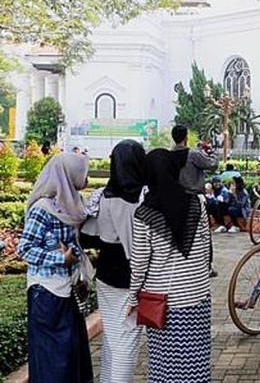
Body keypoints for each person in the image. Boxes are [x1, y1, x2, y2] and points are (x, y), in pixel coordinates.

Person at [127, 149, 211, 383]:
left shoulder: (144, 214)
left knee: (165, 365)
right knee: (196, 362)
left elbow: (140, 263)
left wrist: (133, 298)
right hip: (197, 297)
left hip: (163, 302)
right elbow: (206, 250)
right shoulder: (197, 204)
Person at [18, 153, 93, 383]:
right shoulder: (43, 208)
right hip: (47, 293)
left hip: (67, 291)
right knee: (54, 358)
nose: (86, 177)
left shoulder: (72, 203)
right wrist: (60, 259)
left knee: (70, 355)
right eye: (83, 172)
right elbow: (25, 249)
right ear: (68, 175)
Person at [80, 140, 146, 383]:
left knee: (112, 339)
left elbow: (87, 237)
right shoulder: (143, 198)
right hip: (133, 278)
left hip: (106, 276)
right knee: (126, 342)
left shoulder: (101, 196)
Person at [171, 125, 219, 195]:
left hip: (174, 196)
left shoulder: (169, 156)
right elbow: (212, 164)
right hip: (192, 198)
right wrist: (212, 152)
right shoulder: (193, 154)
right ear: (186, 138)